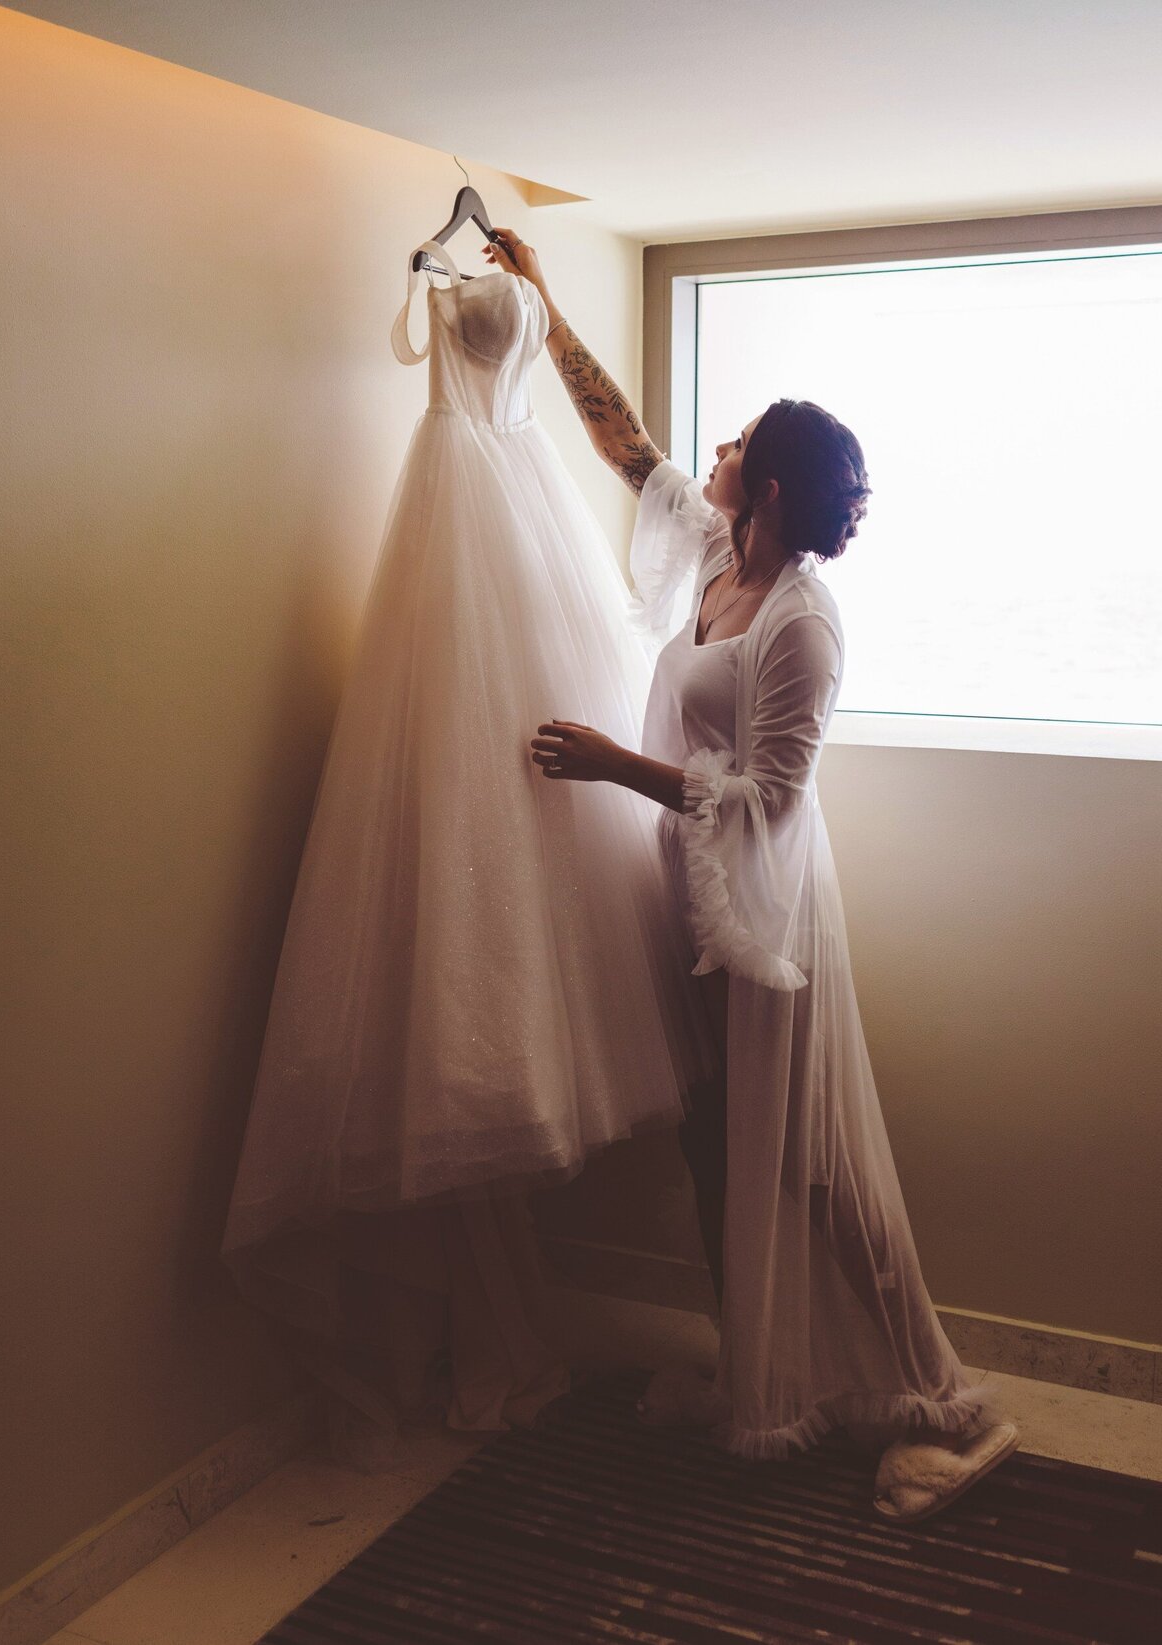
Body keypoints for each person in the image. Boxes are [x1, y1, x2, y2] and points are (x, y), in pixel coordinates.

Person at [482, 227, 1021, 1524]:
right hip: (692, 902)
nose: (708, 454)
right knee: (713, 1144)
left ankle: (957, 1403)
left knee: (821, 1156)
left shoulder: (806, 621)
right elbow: (623, 445)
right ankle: (757, 1374)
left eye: (731, 446)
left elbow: (773, 802)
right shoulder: (723, 564)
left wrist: (617, 764)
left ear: (769, 486)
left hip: (770, 926)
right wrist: (544, 307)